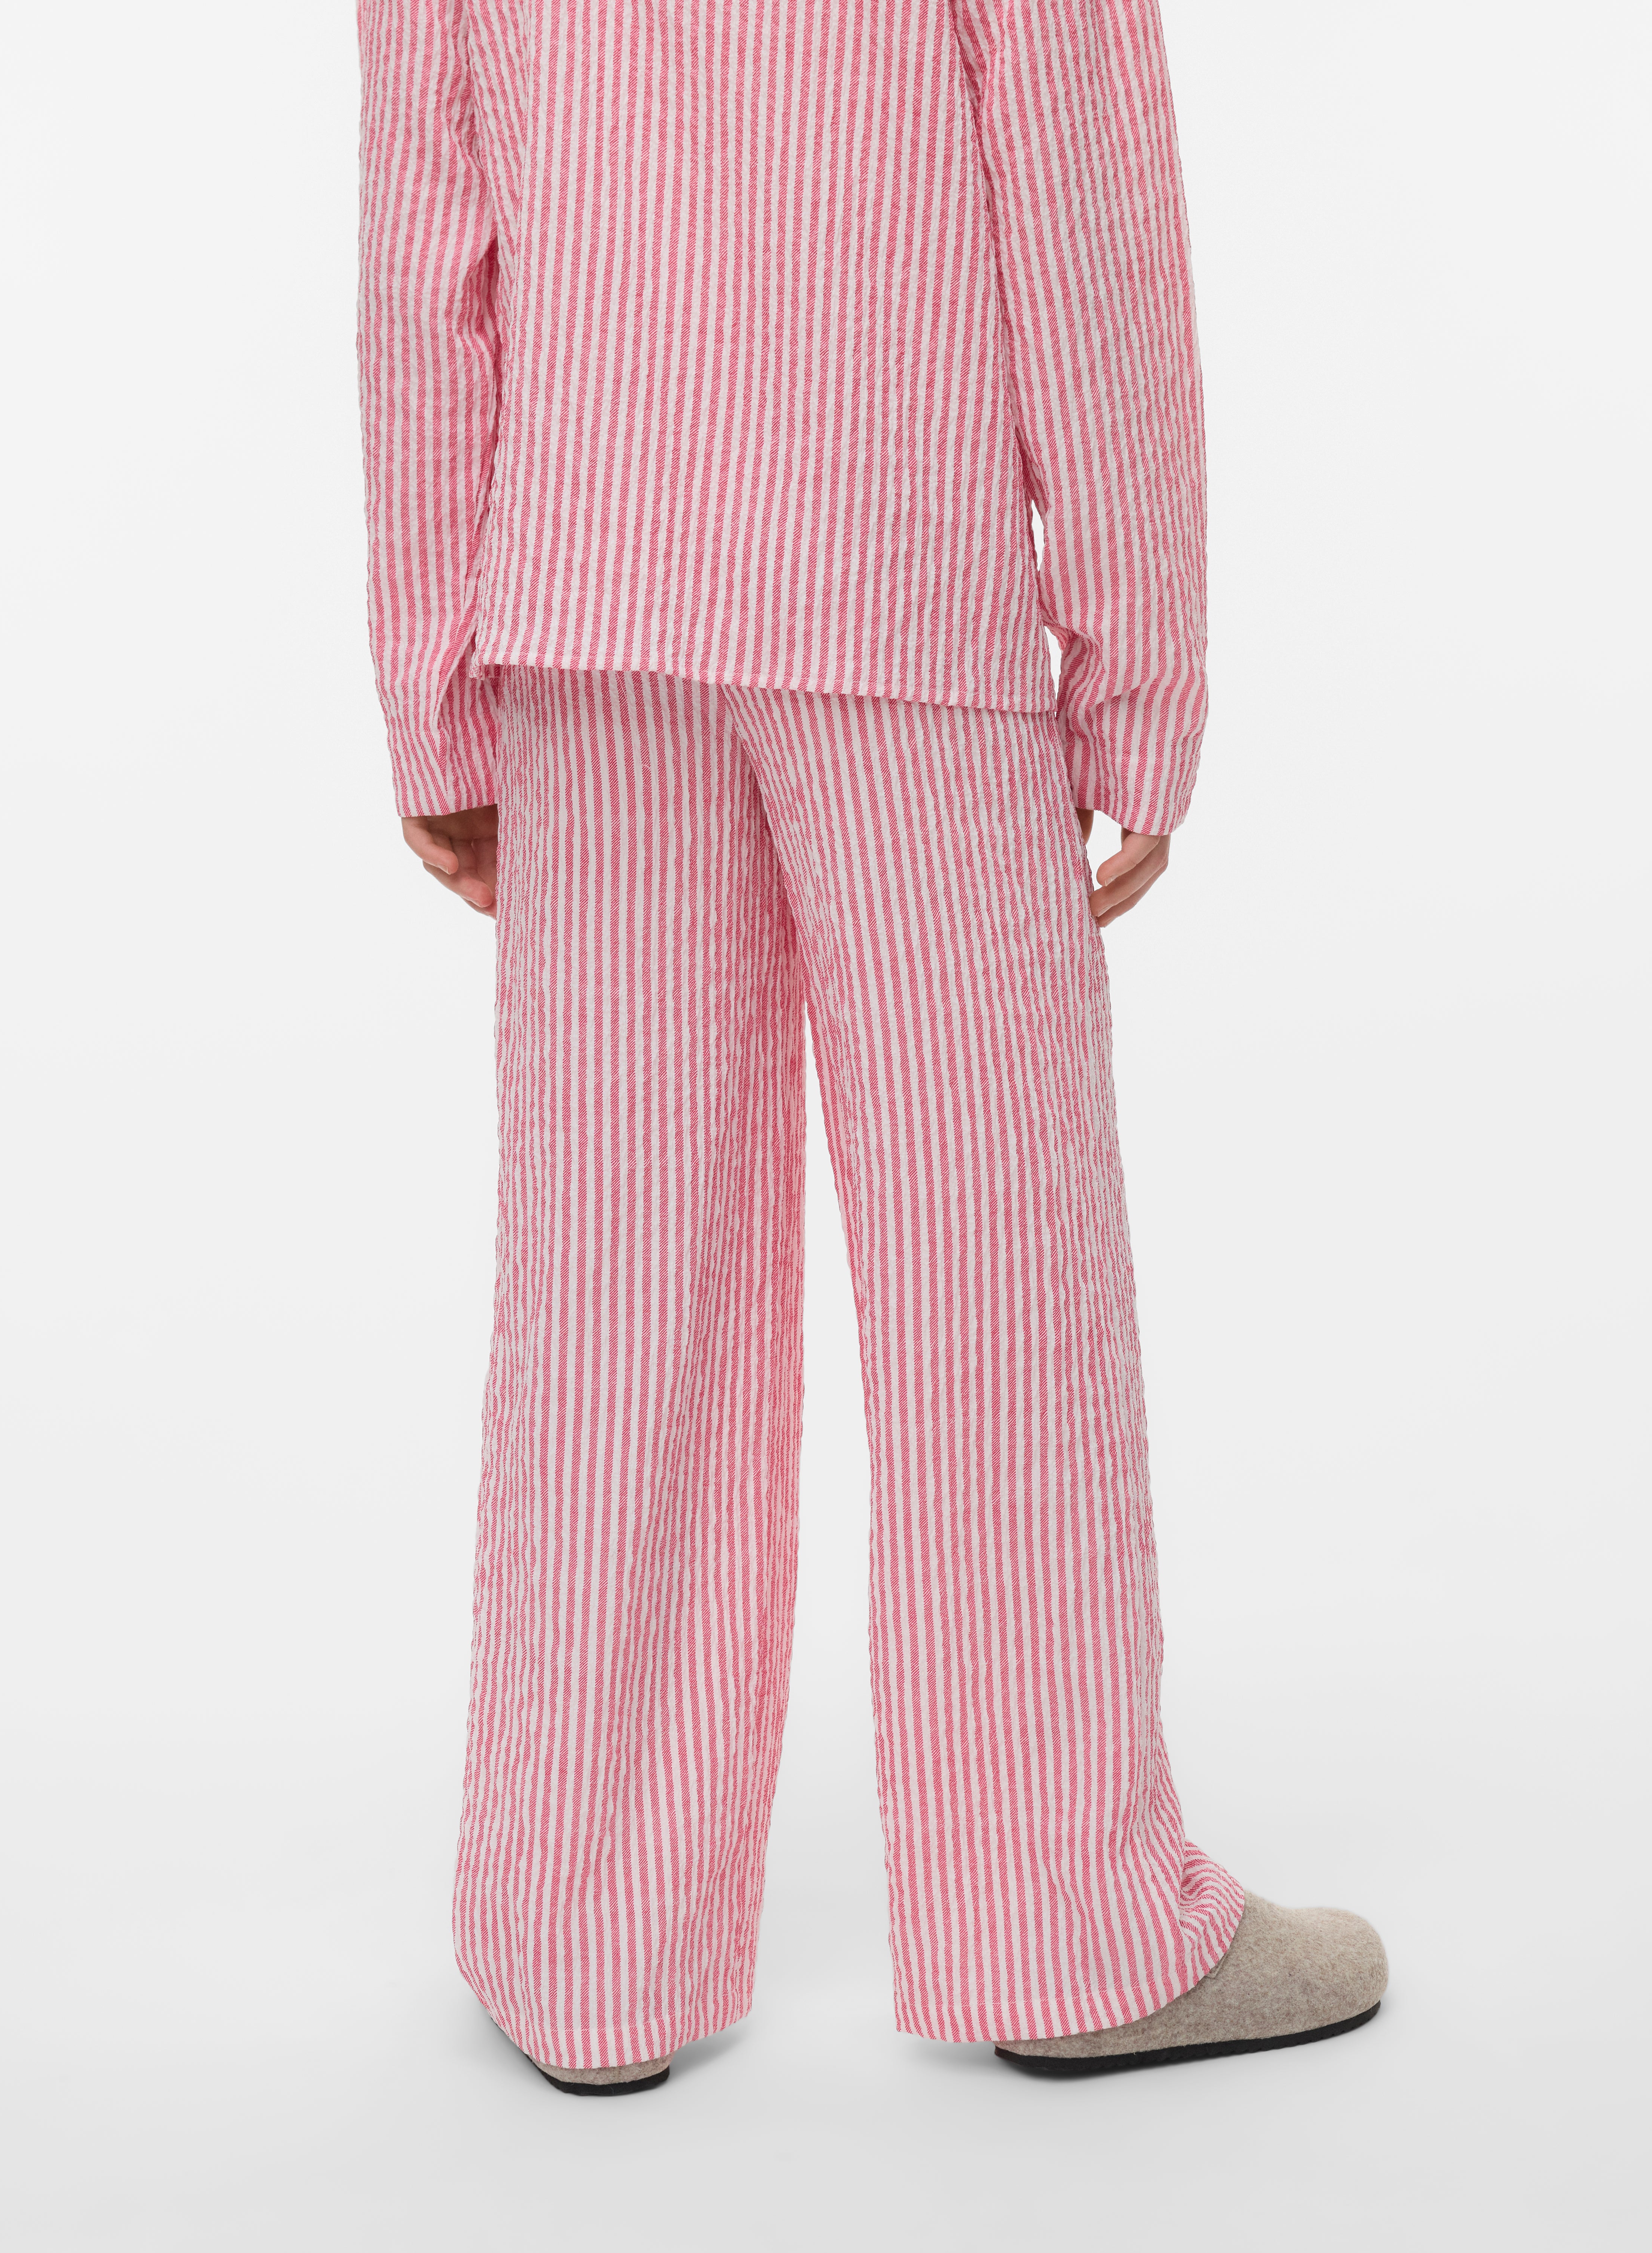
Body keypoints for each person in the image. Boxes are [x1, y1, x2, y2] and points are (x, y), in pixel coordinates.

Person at [356, 0, 1386, 2096]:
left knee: (614, 1277)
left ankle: (580, 1936)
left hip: (588, 580)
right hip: (895, 570)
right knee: (997, 1272)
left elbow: (422, 226)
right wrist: (1137, 657)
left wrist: (432, 671)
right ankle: (1064, 1918)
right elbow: (1081, 186)